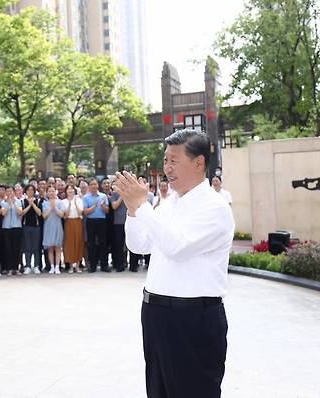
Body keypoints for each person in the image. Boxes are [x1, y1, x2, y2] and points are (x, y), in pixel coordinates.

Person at [115, 129, 234, 398]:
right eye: (165, 160)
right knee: (159, 391)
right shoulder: (168, 204)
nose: (167, 168)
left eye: (174, 160)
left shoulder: (214, 208)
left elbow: (177, 247)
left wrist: (143, 207)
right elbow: (139, 246)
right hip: (156, 314)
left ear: (198, 163)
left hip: (192, 318)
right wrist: (134, 211)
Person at [83, 179, 110, 273]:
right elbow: (85, 212)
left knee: (103, 243)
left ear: (98, 185)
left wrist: (102, 206)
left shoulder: (103, 196)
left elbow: (107, 211)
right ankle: (92, 266)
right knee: (91, 244)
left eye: (95, 184)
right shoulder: (86, 197)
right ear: (89, 186)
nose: (93, 186)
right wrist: (94, 206)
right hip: (91, 221)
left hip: (102, 221)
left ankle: (104, 265)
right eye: (91, 184)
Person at [0, 186, 24, 276]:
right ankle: (9, 268)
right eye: (8, 192)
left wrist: (13, 204)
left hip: (16, 227)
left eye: (11, 191)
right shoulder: (3, 202)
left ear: (14, 192)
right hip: (6, 228)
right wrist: (8, 203)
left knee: (16, 249)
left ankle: (16, 268)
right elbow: (3, 213)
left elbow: (19, 213)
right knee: (8, 248)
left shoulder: (18, 201)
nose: (9, 193)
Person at [42, 186, 64, 274]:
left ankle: (57, 266)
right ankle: (51, 266)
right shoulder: (45, 203)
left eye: (53, 191)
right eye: (49, 191)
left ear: (56, 192)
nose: (51, 193)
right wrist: (50, 208)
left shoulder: (60, 202)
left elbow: (61, 214)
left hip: (57, 226)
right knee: (50, 248)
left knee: (58, 247)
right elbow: (44, 216)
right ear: (47, 193)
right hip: (48, 226)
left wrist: (55, 207)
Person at [21, 184, 43, 275]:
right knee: (27, 247)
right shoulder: (22, 201)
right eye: (28, 190)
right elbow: (22, 213)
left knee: (36, 247)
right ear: (26, 191)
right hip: (26, 226)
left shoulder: (38, 201)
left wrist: (32, 204)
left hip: (36, 226)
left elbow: (39, 213)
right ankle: (28, 266)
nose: (30, 191)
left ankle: (37, 265)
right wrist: (29, 205)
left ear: (34, 191)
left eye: (32, 190)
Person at [62, 185, 84, 273]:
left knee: (78, 242)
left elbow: (79, 213)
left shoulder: (79, 200)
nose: (70, 191)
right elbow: (65, 215)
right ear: (66, 191)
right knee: (69, 243)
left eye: (71, 189)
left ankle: (78, 266)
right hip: (68, 222)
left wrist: (74, 203)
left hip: (77, 221)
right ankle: (71, 266)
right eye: (68, 189)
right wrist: (69, 204)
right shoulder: (63, 201)